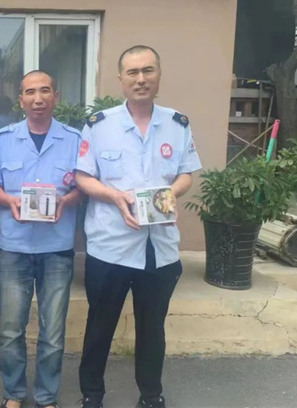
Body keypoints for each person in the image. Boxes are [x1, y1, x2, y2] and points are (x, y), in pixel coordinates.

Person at [75, 46, 202, 408]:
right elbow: (82, 177)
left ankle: (151, 395)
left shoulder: (177, 123)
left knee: (152, 329)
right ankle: (92, 395)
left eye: (148, 71)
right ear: (121, 79)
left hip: (159, 248)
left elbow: (186, 173)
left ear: (159, 75)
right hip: (110, 247)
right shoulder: (99, 125)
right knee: (100, 326)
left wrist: (170, 193)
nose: (141, 79)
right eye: (133, 72)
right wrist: (114, 196)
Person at [0, 70, 83, 408]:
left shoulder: (74, 139)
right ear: (21, 99)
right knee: (10, 330)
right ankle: (13, 393)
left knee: (53, 332)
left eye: (44, 91)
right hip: (14, 248)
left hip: (57, 249)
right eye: (30, 92)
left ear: (56, 96)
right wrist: (8, 200)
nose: (38, 99)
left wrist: (66, 201)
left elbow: (83, 186)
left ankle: (46, 396)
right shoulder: (3, 139)